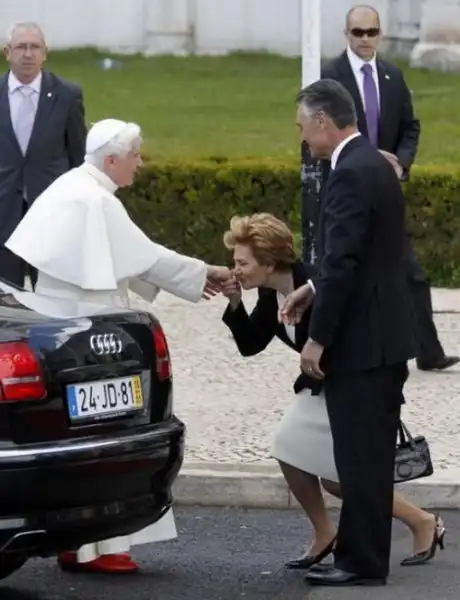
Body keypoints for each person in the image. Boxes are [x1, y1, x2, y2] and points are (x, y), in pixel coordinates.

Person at [5, 118, 231, 574]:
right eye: (134, 156)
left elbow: (129, 257)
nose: (139, 163)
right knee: (110, 434)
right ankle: (105, 546)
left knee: (79, 435)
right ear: (111, 159)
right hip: (97, 336)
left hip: (63, 331)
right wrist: (205, 272)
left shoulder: (73, 187)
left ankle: (77, 544)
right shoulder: (94, 199)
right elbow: (147, 257)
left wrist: (195, 277)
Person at [220, 212, 446, 582]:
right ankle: (325, 532)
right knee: (289, 450)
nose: (236, 270)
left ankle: (421, 521)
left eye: (242, 263)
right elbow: (250, 343)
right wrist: (233, 303)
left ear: (269, 262)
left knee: (338, 479)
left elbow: (353, 334)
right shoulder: (269, 292)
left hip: (350, 382)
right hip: (319, 384)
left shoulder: (315, 284)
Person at [279, 78, 437, 587]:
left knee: (359, 460)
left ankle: (361, 563)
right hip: (384, 337)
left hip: (363, 344)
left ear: (322, 120)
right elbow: (362, 257)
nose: (303, 138)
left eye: (304, 127)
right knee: (364, 458)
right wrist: (312, 290)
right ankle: (358, 557)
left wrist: (318, 338)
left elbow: (344, 263)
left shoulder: (350, 173)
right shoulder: (375, 163)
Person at [302, 4, 458, 372]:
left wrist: (400, 162)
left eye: (371, 32)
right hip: (347, 189)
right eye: (358, 33)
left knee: (410, 273)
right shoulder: (330, 78)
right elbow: (316, 137)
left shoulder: (392, 76)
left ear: (380, 34)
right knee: (342, 266)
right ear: (346, 34)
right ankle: (328, 342)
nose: (365, 39)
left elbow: (410, 126)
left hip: (385, 192)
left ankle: (428, 350)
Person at [0, 21, 86, 288]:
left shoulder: (66, 96)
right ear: (7, 52)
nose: (28, 54)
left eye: (35, 47)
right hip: (3, 210)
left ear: (45, 53)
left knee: (52, 298)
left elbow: (78, 157)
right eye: (20, 47)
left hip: (51, 212)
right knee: (5, 298)